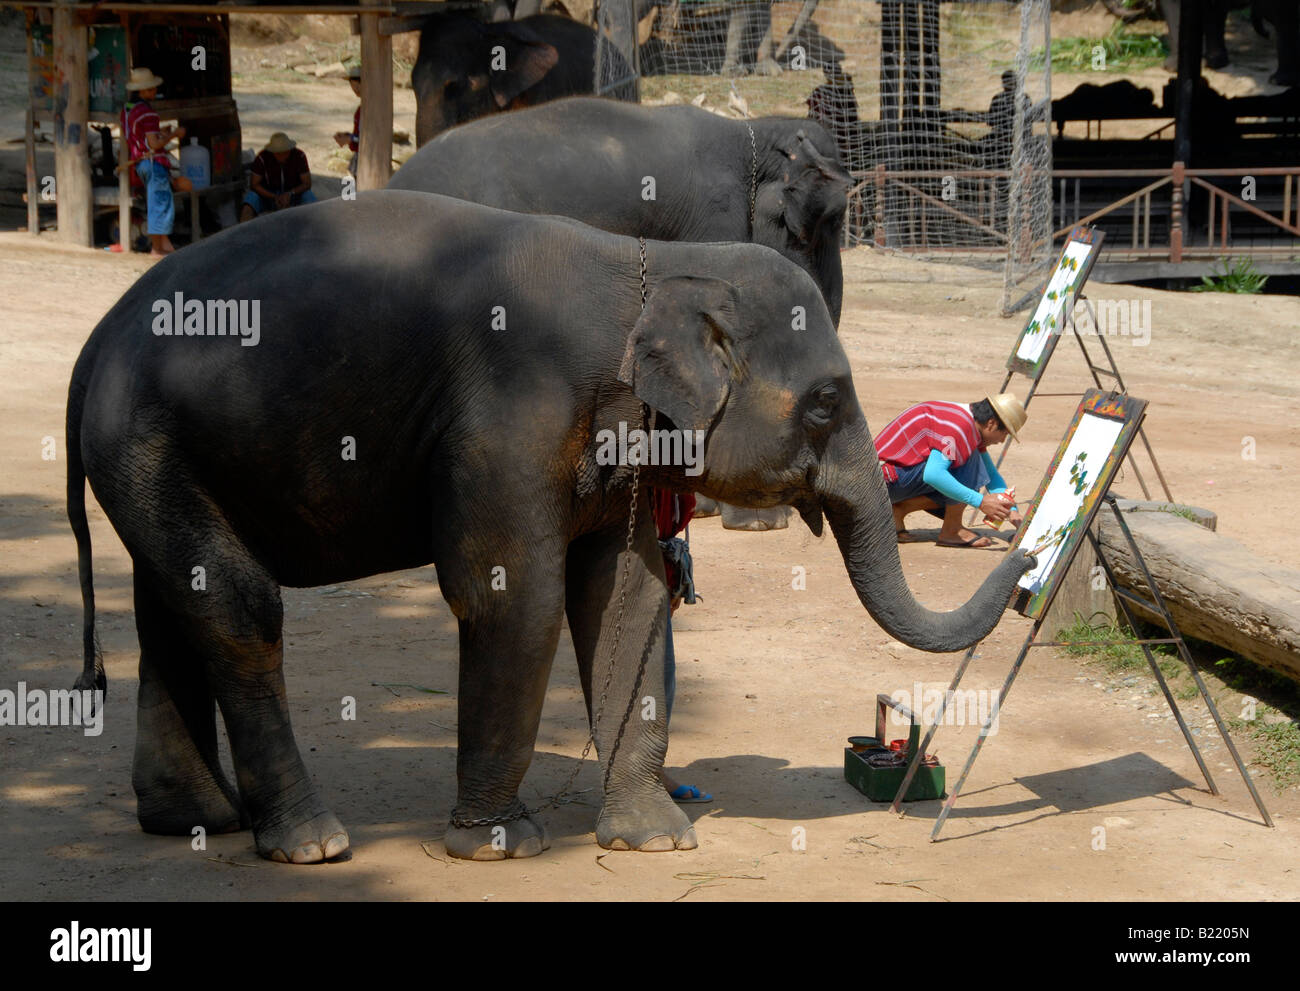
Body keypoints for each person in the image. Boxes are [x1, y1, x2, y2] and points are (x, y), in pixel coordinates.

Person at [879, 394, 1028, 549]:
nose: (1002, 441)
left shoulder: (966, 422)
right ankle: (952, 531)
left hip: (885, 480)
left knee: (961, 467)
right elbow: (933, 475)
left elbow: (991, 474)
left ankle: (898, 511)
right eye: (1005, 433)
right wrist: (981, 501)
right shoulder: (959, 428)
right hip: (881, 483)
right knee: (967, 463)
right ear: (991, 423)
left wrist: (1012, 512)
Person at [652, 488, 711, 804]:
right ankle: (644, 772)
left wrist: (675, 575)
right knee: (657, 678)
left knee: (663, 678)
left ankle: (649, 769)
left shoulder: (671, 459)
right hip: (630, 563)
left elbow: (681, 508)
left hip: (659, 563)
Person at [122, 67, 192, 256]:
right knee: (160, 204)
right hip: (153, 163)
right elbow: (153, 144)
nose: (154, 92)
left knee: (156, 202)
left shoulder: (128, 110)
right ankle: (157, 248)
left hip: (139, 163)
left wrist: (161, 133)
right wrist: (174, 135)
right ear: (142, 91)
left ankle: (166, 246)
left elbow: (141, 137)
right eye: (151, 89)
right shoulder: (149, 114)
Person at [240, 133, 317, 221]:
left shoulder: (299, 156)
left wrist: (290, 194)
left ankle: (314, 227)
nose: (283, 155)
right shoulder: (262, 158)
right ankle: (245, 231)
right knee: (249, 204)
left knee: (310, 198)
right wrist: (274, 197)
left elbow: (307, 183)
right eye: (279, 153)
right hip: (267, 195)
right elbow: (254, 184)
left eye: (285, 151)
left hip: (294, 194)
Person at [333, 63, 362, 177]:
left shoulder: (372, 108)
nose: (355, 89)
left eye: (357, 85)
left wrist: (350, 139)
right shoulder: (361, 108)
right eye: (352, 86)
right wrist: (348, 136)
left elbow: (370, 138)